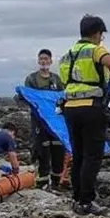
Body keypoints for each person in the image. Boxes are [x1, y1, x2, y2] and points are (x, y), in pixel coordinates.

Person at [58, 14, 110, 215]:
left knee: (79, 155)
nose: (101, 38)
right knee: (92, 156)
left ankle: (77, 197)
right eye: (101, 35)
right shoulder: (94, 50)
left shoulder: (67, 55)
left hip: (70, 108)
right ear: (96, 33)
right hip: (91, 107)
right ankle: (86, 201)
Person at [24, 48, 66, 189]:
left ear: (51, 61)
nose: (43, 61)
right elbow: (28, 97)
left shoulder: (56, 79)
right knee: (42, 151)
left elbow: (63, 97)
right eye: (41, 58)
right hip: (39, 121)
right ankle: (42, 183)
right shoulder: (31, 79)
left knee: (58, 150)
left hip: (56, 122)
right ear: (38, 61)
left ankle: (55, 183)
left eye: (46, 59)